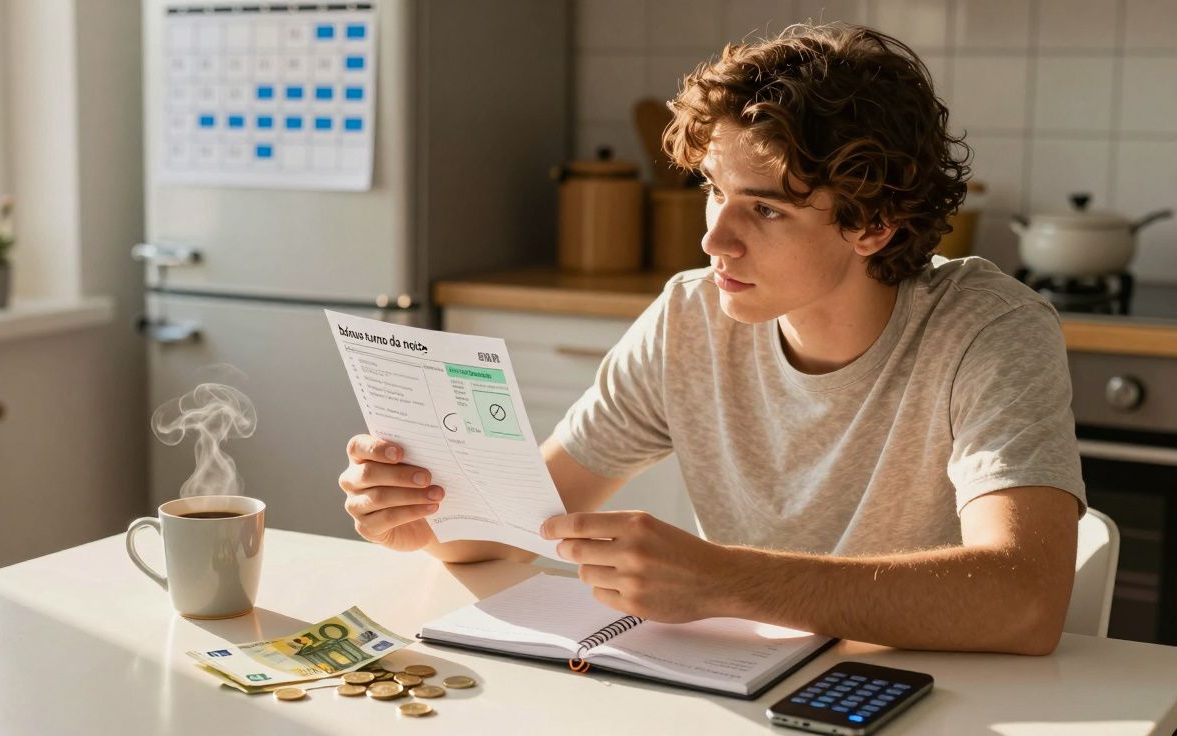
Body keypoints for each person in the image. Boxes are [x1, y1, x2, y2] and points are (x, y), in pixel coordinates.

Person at [337, 23, 1085, 656]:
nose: (712, 239)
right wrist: (425, 515)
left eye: (763, 211)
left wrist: (724, 580)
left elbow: (1025, 599)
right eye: (713, 192)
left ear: (872, 224)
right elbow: (522, 527)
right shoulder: (688, 318)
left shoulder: (988, 329)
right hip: (740, 694)